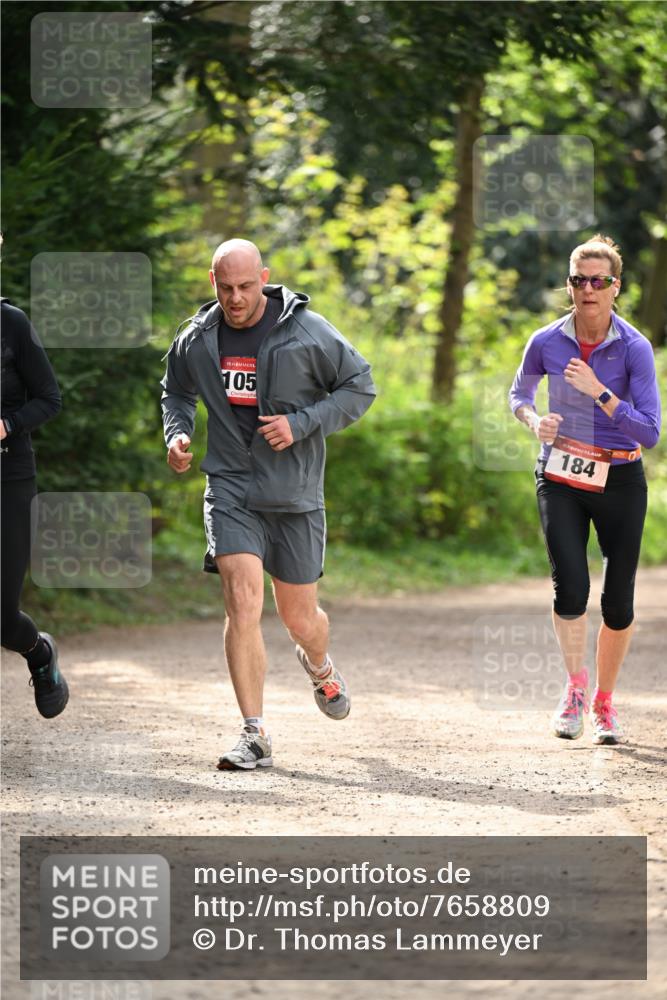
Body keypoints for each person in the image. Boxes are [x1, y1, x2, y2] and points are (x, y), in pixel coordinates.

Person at [161, 238, 376, 769]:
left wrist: (300, 424)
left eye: (246, 286)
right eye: (226, 288)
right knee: (241, 600)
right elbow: (175, 391)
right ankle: (253, 731)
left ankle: (320, 665)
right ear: (214, 283)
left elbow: (360, 386)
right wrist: (178, 434)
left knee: (300, 618)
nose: (236, 299)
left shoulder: (307, 331)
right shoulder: (198, 337)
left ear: (264, 277)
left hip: (294, 491)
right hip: (231, 485)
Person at [509, 234, 661, 745]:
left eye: (599, 281)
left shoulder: (634, 348)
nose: (587, 290)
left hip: (620, 477)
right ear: (569, 285)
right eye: (579, 280)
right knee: (570, 588)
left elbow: (651, 432)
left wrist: (599, 392)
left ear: (615, 287)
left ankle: (604, 702)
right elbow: (519, 394)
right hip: (562, 475)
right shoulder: (547, 340)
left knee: (618, 604)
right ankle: (575, 688)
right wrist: (533, 421)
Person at [1, 294, 69, 718]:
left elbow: (49, 398)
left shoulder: (12, 323)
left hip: (8, 479)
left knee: (1, 616)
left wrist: (7, 425)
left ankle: (39, 652)